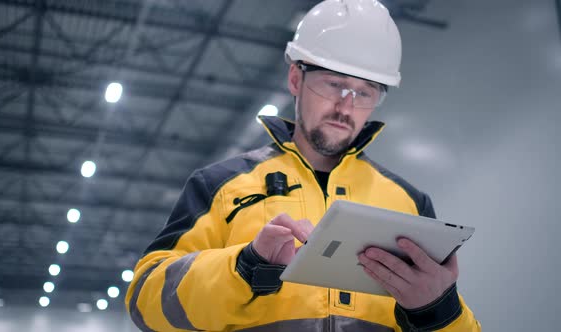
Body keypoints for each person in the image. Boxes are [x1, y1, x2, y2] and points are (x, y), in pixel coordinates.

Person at [125, 0, 481, 331]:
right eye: (334, 84)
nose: (346, 106)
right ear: (296, 79)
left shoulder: (410, 203)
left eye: (365, 92)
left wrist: (438, 308)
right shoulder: (221, 185)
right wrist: (244, 268)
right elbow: (145, 301)